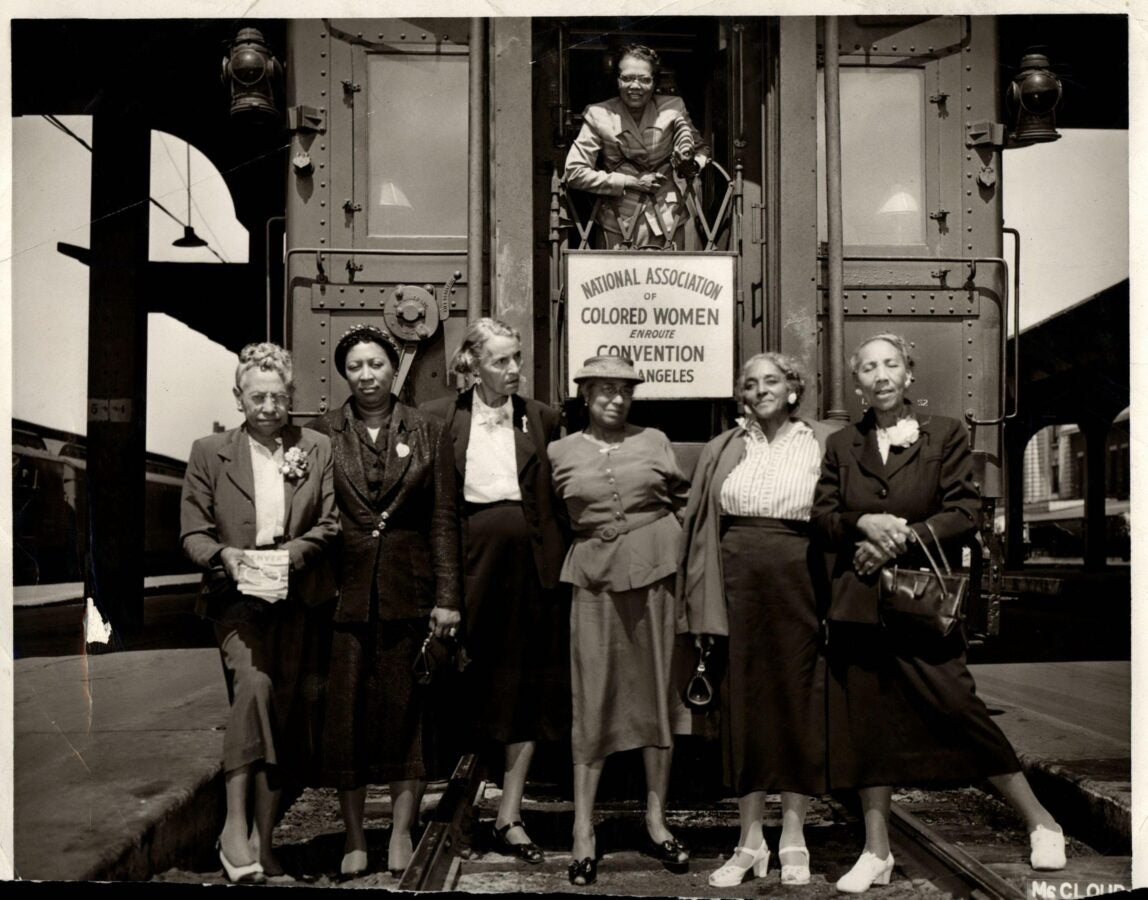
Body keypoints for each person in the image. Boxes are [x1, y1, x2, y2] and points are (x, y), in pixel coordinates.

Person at [810, 333, 1066, 893]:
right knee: (867, 725)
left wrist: (898, 537)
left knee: (958, 706)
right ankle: (876, 851)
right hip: (857, 602)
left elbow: (964, 511)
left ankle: (1043, 822)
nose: (880, 375)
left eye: (891, 365)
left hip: (920, 599)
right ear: (857, 383)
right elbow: (824, 516)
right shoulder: (841, 445)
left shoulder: (945, 432)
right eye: (869, 367)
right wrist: (861, 525)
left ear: (909, 376)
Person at [181, 342, 339, 884]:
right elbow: (193, 531)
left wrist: (290, 556)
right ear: (238, 397)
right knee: (255, 688)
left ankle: (263, 844)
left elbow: (329, 522)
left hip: (297, 597)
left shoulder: (314, 447)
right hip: (236, 600)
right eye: (257, 397)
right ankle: (233, 825)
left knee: (285, 715)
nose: (268, 407)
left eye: (277, 396)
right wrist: (224, 555)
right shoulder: (209, 451)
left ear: (290, 397)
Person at [308, 324, 461, 880]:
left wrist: (447, 598)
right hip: (344, 598)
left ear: (394, 369)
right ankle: (353, 836)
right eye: (356, 366)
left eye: (376, 364)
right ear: (343, 374)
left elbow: (444, 520)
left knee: (407, 718)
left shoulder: (428, 430)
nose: (367, 375)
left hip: (410, 593)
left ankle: (400, 832)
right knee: (345, 719)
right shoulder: (323, 434)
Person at [679, 353, 835, 888]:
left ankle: (793, 836)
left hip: (800, 578)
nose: (761, 389)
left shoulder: (821, 442)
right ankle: (749, 841)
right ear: (741, 395)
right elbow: (699, 525)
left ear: (794, 390)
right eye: (750, 383)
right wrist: (698, 601)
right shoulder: (726, 446)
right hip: (734, 581)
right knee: (742, 701)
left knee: (796, 699)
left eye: (772, 381)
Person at [421, 318, 570, 865]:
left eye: (517, 359)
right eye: (501, 361)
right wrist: (447, 591)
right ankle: (461, 800)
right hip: (470, 566)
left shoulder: (541, 418)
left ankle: (510, 813)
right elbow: (441, 512)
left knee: (525, 687)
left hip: (530, 571)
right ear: (472, 365)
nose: (513, 370)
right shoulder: (444, 420)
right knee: (467, 681)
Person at [547, 355, 692, 887]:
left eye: (624, 389)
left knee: (658, 693)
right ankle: (583, 830)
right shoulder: (559, 451)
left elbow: (684, 501)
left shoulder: (654, 440)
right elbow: (554, 516)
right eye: (603, 389)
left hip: (657, 575)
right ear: (584, 395)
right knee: (593, 697)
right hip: (592, 581)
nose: (614, 397)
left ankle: (656, 819)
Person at [564, 43, 709, 249]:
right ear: (617, 80)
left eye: (644, 79)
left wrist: (690, 165)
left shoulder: (673, 107)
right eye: (628, 78)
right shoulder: (599, 114)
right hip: (617, 220)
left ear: (654, 82)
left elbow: (700, 149)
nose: (635, 86)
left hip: (669, 219)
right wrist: (629, 181)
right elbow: (574, 173)